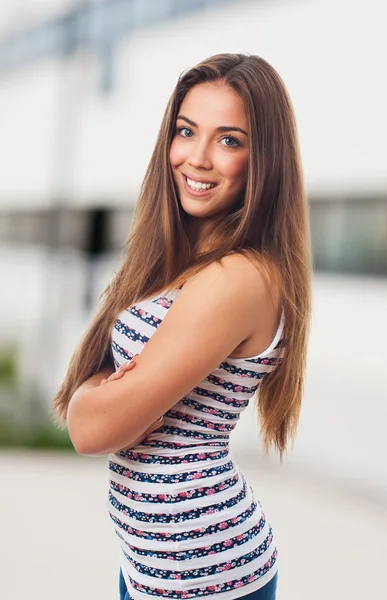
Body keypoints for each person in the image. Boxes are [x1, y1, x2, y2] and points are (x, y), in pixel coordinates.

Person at [52, 53, 312, 600]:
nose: (197, 158)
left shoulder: (237, 277)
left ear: (263, 159)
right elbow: (107, 404)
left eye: (229, 140)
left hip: (203, 577)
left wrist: (94, 398)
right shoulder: (182, 262)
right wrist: (104, 398)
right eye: (186, 131)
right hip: (151, 565)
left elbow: (92, 429)